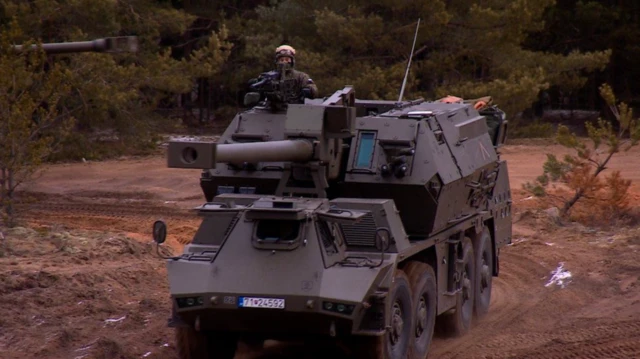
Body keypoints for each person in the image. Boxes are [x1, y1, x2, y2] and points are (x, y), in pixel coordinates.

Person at [249, 45, 318, 104]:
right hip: (271, 109)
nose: (284, 62)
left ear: (292, 61)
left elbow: (313, 90)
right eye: (281, 60)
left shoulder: (301, 76)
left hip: (294, 109)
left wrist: (309, 90)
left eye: (287, 59)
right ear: (277, 61)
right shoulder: (270, 76)